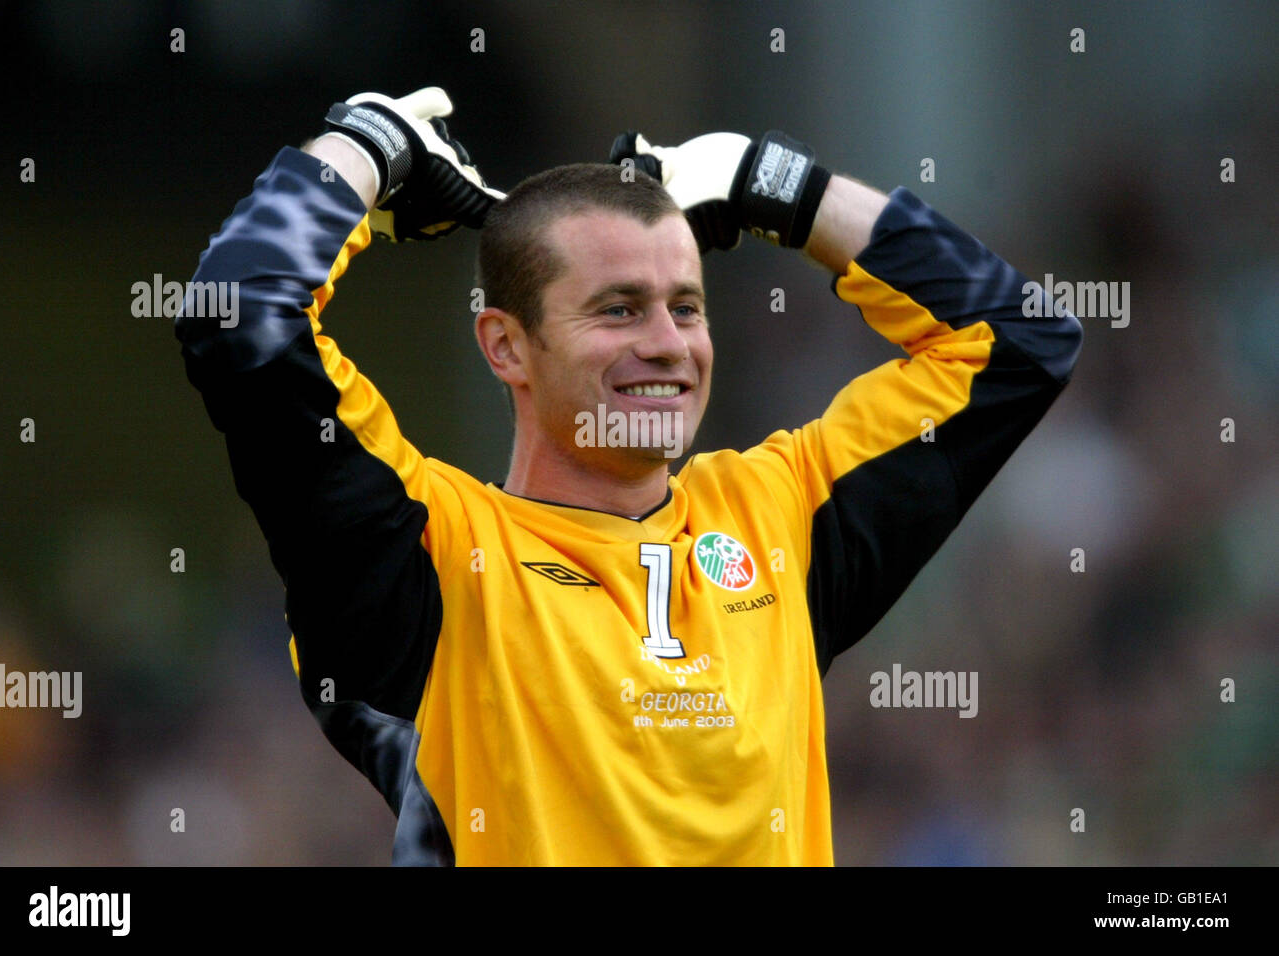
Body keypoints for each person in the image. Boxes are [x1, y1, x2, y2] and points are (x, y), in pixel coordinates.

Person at [176, 85, 1082, 866]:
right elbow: (240, 316)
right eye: (618, 309)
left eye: (685, 307)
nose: (667, 344)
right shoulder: (430, 561)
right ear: (505, 345)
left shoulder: (780, 519)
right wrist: (365, 148)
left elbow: (1020, 338)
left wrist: (779, 190)